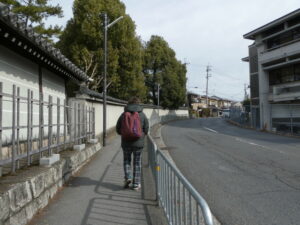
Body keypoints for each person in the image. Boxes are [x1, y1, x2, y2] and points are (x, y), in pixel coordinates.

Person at [116, 97, 149, 190]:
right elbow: (146, 129)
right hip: (138, 144)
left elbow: (118, 129)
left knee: (126, 160)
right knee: (137, 163)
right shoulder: (142, 115)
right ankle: (136, 184)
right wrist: (141, 135)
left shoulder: (123, 115)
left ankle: (128, 177)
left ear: (128, 104)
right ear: (138, 104)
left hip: (126, 143)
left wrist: (124, 134)